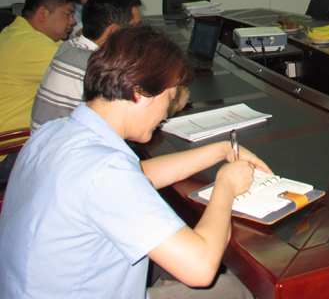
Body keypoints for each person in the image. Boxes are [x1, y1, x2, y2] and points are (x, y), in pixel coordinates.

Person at [0, 25, 270, 298]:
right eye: (169, 98)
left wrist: (220, 151)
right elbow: (201, 268)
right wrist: (225, 185)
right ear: (139, 92)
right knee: (237, 290)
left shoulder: (55, 132)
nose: (166, 113)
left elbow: (137, 175)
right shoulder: (105, 171)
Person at [30, 0, 145, 130]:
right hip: (66, 142)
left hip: (51, 140)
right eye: (135, 27)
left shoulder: (69, 47)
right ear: (114, 32)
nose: (138, 34)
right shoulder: (95, 66)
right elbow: (133, 118)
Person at [0, 0, 78, 180]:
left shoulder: (19, 34)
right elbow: (88, 74)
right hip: (10, 150)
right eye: (67, 14)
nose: (72, 21)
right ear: (43, 13)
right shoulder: (29, 44)